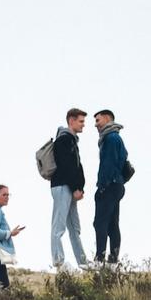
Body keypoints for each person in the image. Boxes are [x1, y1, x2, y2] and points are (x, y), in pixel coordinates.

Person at [47, 109, 89, 269]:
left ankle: (83, 262)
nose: (83, 125)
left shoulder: (71, 140)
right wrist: (76, 187)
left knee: (74, 227)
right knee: (59, 225)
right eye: (81, 121)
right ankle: (58, 260)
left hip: (69, 187)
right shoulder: (63, 140)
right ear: (71, 121)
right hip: (62, 186)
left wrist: (79, 187)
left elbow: (76, 167)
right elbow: (66, 166)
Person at [92, 109, 130, 265]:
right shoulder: (116, 137)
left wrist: (103, 186)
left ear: (107, 119)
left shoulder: (111, 138)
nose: (95, 125)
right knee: (112, 223)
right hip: (116, 185)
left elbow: (108, 164)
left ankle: (99, 259)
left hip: (110, 185)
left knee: (100, 223)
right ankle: (113, 261)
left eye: (98, 120)